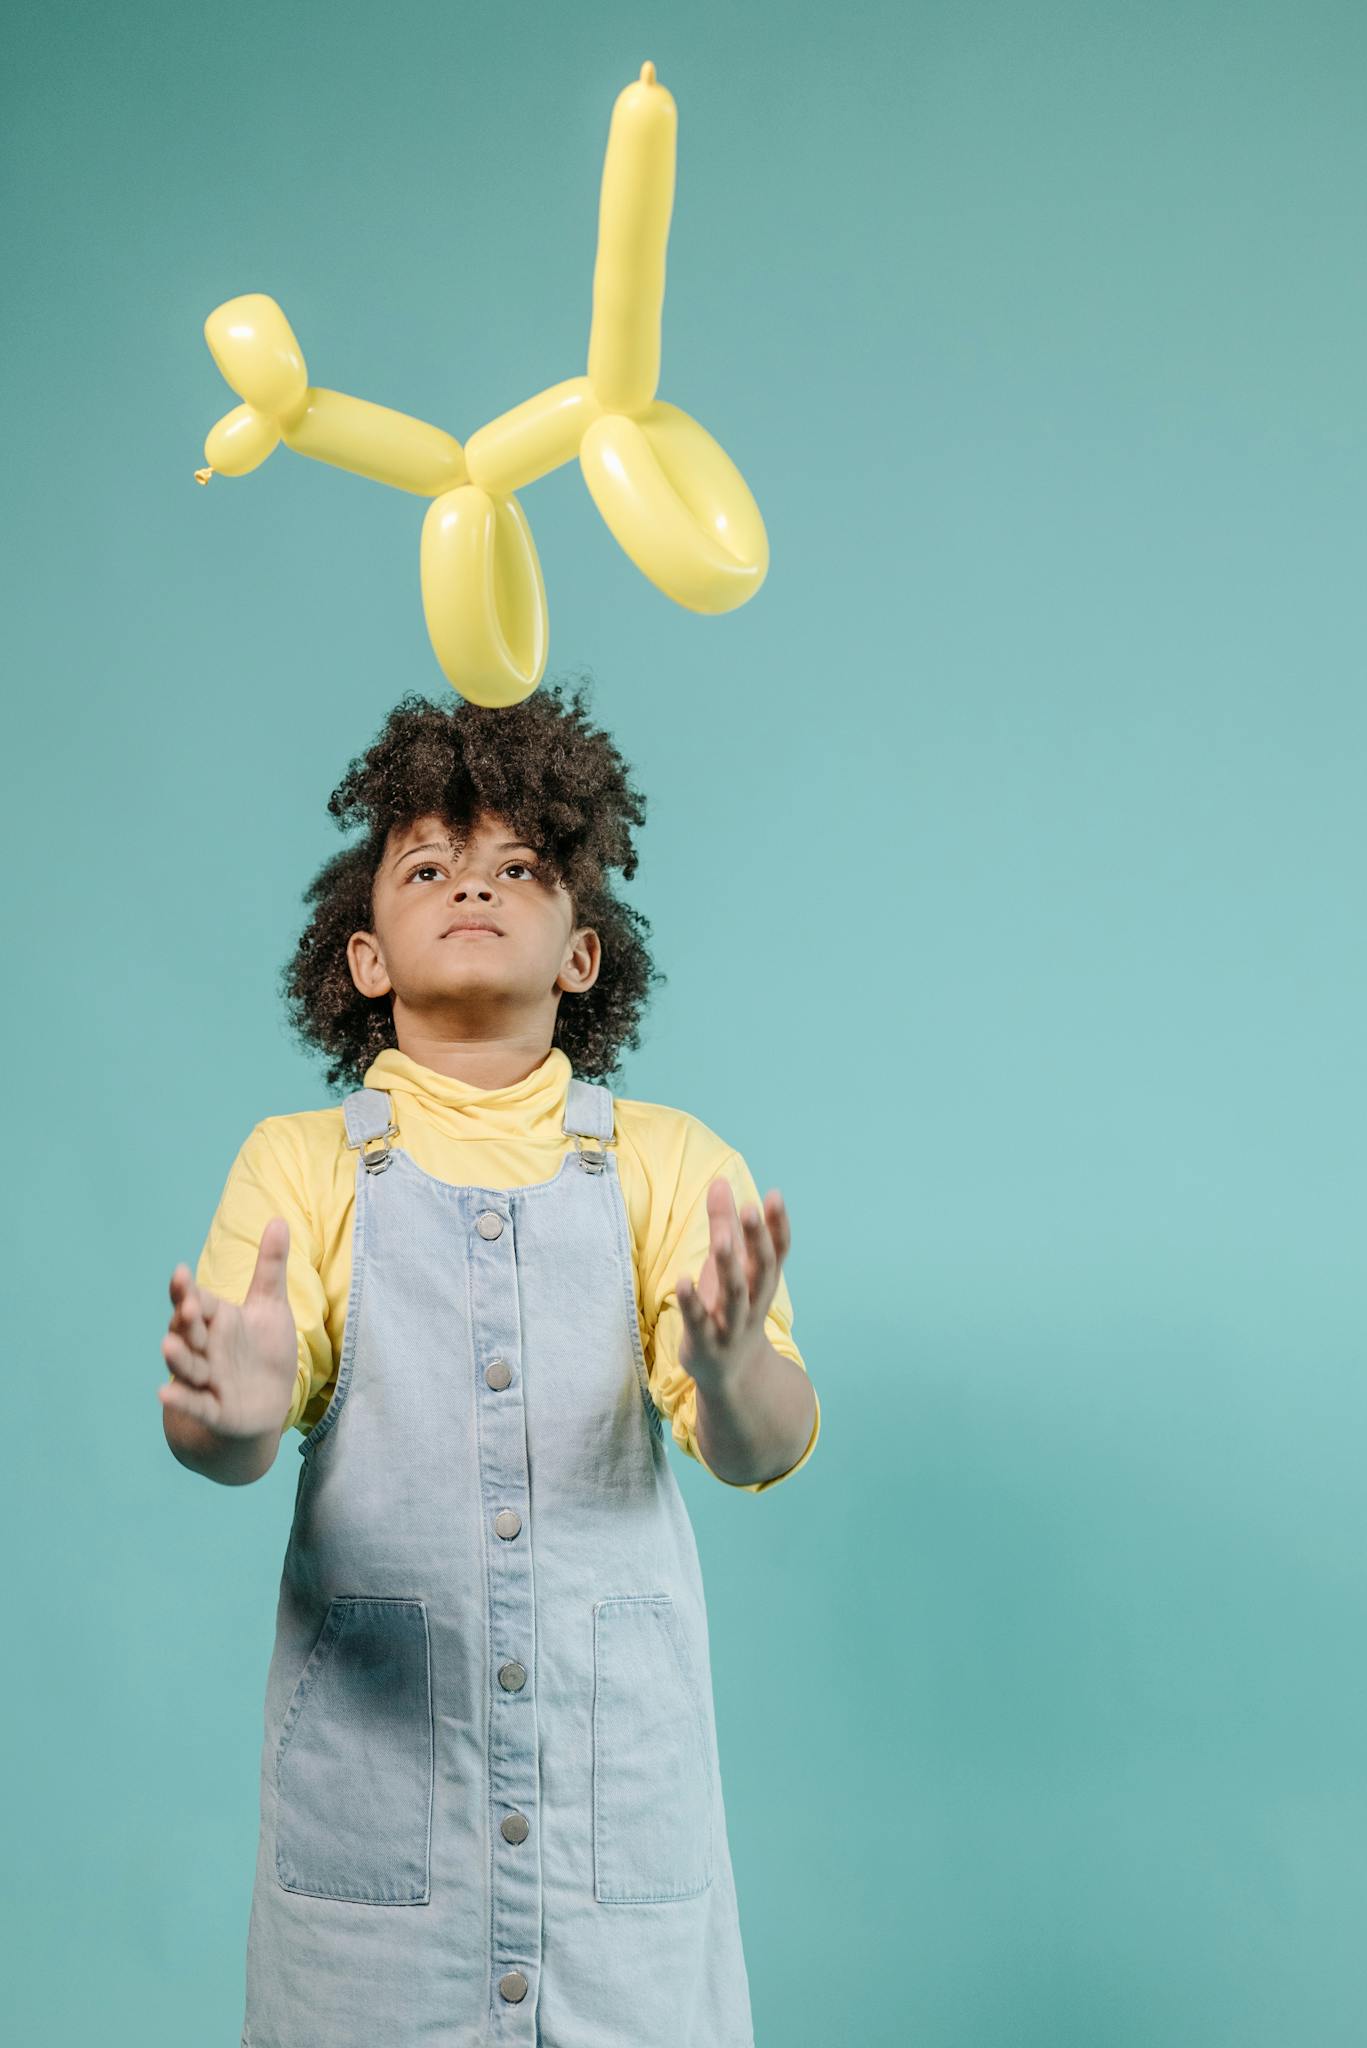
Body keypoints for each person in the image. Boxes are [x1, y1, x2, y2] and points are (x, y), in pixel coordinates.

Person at [157, 677, 821, 2048]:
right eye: (428, 863)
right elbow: (232, 1435)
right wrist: (233, 1408)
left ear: (583, 954)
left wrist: (735, 1357)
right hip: (378, 1860)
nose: (477, 883)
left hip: (612, 1843)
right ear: (365, 958)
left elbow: (759, 1444)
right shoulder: (298, 1168)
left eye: (523, 864)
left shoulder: (669, 1165)